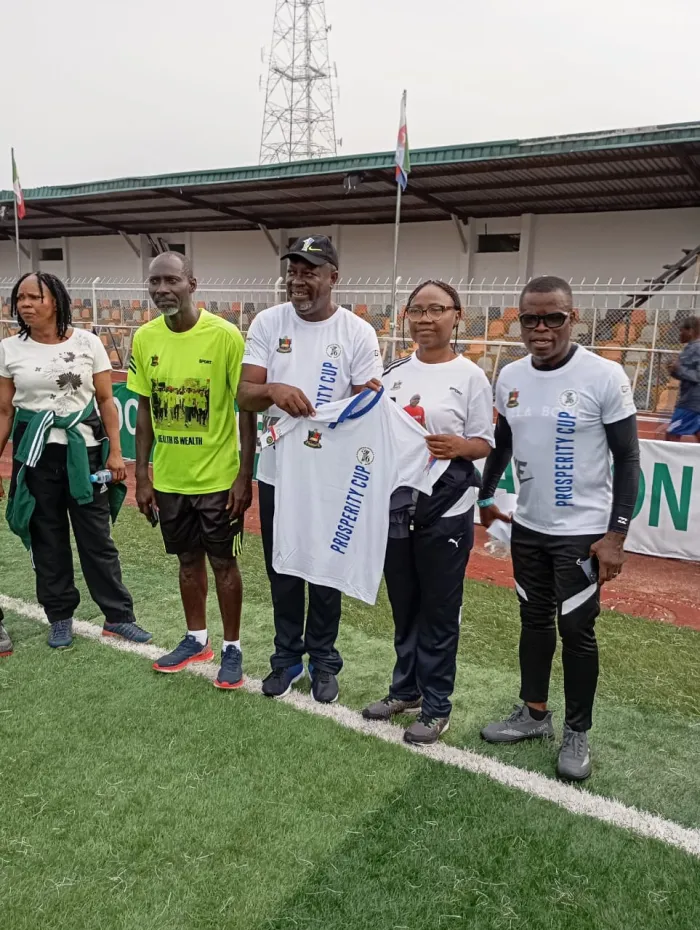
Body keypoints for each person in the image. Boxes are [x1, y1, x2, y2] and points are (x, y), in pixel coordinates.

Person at [478, 275, 640, 781]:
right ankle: (533, 714)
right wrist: (486, 496)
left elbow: (628, 458)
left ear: (574, 318)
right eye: (531, 319)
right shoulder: (511, 377)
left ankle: (577, 730)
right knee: (533, 623)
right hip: (529, 527)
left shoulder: (604, 376)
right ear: (520, 321)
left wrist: (616, 535)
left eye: (554, 317)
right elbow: (502, 444)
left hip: (583, 532)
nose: (541, 328)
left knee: (576, 629)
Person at [237, 234, 382, 703]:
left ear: (333, 278)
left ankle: (323, 661)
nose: (297, 281)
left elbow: (369, 404)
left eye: (309, 271)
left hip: (331, 475)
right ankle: (286, 659)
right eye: (293, 271)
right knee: (282, 569)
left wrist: (356, 402)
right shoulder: (268, 322)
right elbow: (244, 394)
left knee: (324, 569)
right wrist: (275, 391)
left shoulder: (357, 333)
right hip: (279, 470)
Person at [361, 281, 495, 744]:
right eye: (416, 310)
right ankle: (406, 690)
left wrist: (460, 447)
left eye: (436, 309)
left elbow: (485, 442)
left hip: (447, 506)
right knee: (405, 604)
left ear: (456, 315)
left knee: (439, 609)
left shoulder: (471, 376)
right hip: (397, 507)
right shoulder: (393, 373)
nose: (425, 318)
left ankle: (437, 705)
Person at [0, 272, 149, 650]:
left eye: (35, 297)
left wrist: (116, 452)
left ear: (57, 301)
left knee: (96, 537)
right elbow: (4, 411)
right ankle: (60, 617)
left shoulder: (88, 342)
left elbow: (104, 401)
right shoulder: (9, 349)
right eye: (20, 299)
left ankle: (118, 617)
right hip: (34, 455)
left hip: (86, 453)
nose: (26, 305)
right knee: (47, 536)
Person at [129, 252, 256, 689]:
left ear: (192, 284)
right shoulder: (144, 339)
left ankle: (232, 647)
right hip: (169, 479)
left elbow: (246, 411)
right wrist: (143, 475)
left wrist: (244, 476)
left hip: (218, 479)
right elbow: (143, 411)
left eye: (170, 281)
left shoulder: (224, 336)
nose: (161, 289)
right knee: (186, 561)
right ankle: (196, 638)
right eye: (154, 282)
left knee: (224, 562)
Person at [666, 316, 700, 441]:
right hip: (691, 400)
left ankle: (667, 459)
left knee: (672, 433)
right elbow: (685, 374)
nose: (679, 334)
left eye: (681, 330)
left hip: (691, 403)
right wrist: (673, 371)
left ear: (690, 331)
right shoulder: (690, 348)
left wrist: (679, 369)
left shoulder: (697, 348)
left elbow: (698, 376)